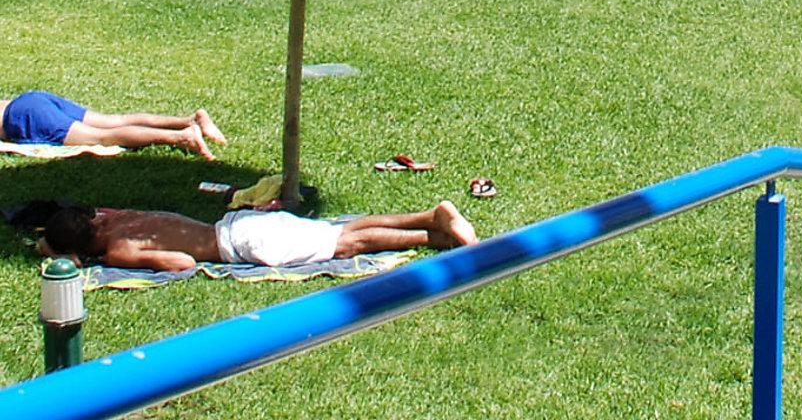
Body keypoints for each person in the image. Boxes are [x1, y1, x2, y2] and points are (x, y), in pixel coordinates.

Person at [37, 199, 477, 272]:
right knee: (341, 230)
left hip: (238, 245)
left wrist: (79, 259)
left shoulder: (117, 249)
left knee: (347, 244)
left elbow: (184, 264)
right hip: (236, 224)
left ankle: (434, 230)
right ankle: (431, 222)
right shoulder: (115, 221)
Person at [3, 90, 226, 158]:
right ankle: (190, 120)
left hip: (22, 116)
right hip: (30, 100)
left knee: (101, 138)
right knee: (114, 121)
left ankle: (180, 137)